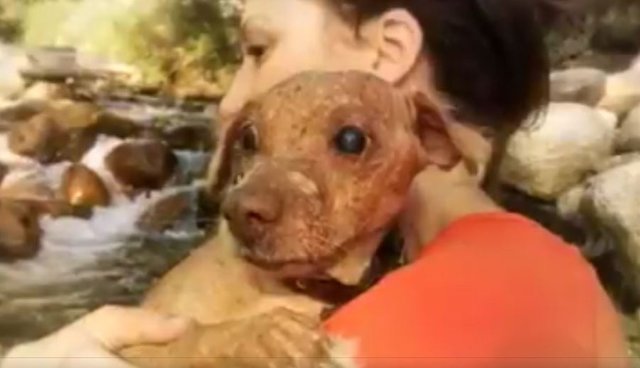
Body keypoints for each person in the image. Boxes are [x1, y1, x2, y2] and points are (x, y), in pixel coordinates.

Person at [1, 0, 630, 367]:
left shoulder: (392, 334)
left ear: (388, 52)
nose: (228, 102)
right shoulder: (571, 279)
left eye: (257, 49)